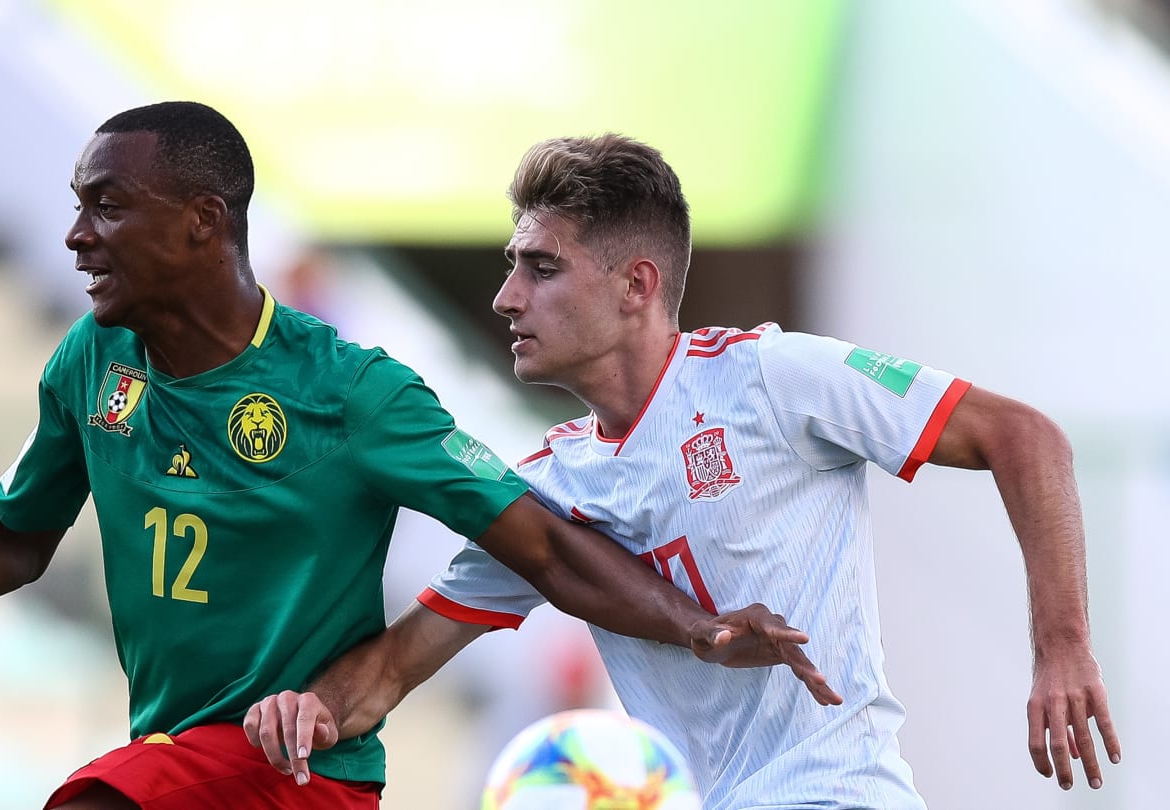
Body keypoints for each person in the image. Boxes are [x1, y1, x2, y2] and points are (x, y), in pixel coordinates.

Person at [0, 103, 833, 810]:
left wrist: (697, 626)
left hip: (294, 768)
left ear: (202, 223)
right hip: (176, 760)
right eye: (79, 206)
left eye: (106, 205)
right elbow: (15, 536)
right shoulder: (92, 362)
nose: (76, 235)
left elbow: (545, 546)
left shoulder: (349, 391)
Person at [243, 133, 1121, 808]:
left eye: (541, 268)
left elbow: (1025, 436)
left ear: (636, 286)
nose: (508, 297)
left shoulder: (772, 378)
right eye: (513, 267)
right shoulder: (547, 488)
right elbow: (392, 668)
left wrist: (1063, 649)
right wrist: (309, 708)